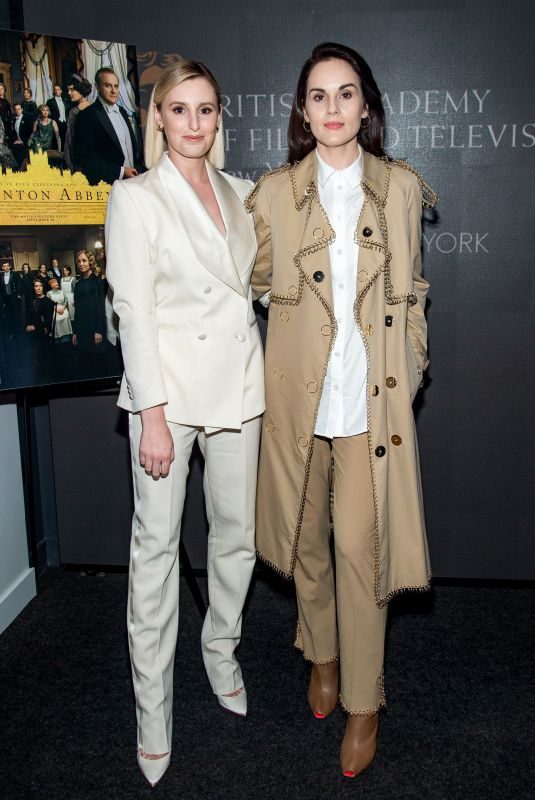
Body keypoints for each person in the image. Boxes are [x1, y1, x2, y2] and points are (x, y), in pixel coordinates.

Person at [246, 42, 437, 779]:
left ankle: (363, 701)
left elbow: (413, 290)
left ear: (366, 105)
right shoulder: (268, 195)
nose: (332, 108)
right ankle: (319, 653)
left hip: (369, 406)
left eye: (345, 93)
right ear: (302, 110)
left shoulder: (399, 190)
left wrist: (410, 362)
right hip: (297, 402)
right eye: (318, 96)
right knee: (303, 545)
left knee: (360, 548)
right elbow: (242, 272)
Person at [105, 59, 264, 787]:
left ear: (218, 117)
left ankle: (220, 649)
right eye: (179, 109)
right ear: (158, 118)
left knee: (237, 538)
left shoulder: (242, 193)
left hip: (238, 388)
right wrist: (155, 419)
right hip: (166, 399)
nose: (193, 122)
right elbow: (133, 315)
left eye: (205, 109)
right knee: (156, 556)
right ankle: (151, 710)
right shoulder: (135, 198)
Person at [75, 68, 141, 185]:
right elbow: (86, 159)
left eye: (116, 86)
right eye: (108, 86)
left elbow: (131, 149)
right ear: (97, 87)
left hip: (133, 182)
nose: (113, 91)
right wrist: (121, 172)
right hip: (108, 184)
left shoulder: (123, 112)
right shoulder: (86, 116)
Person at [72, 249, 105, 360]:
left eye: (84, 261)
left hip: (94, 328)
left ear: (90, 262)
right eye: (79, 261)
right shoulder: (78, 284)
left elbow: (100, 307)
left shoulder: (97, 282)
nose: (81, 264)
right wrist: (75, 332)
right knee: (83, 360)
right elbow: (77, 309)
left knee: (96, 362)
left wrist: (98, 330)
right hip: (81, 328)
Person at [64, 75, 92, 172]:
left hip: (80, 160)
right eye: (68, 90)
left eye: (72, 90)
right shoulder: (94, 108)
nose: (69, 93)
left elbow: (69, 140)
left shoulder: (74, 112)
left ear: (80, 89)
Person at [0, 261, 23, 339]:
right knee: (8, 316)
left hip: (14, 297)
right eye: (4, 266)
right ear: (2, 268)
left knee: (16, 315)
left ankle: (19, 333)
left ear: (10, 267)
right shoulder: (1, 275)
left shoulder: (15, 274)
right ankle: (11, 332)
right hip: (5, 299)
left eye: (7, 266)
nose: (6, 267)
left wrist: (19, 294)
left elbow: (20, 284)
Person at [47, 277, 73, 342]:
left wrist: (63, 308)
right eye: (55, 283)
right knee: (57, 320)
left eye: (57, 282)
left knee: (66, 317)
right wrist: (56, 309)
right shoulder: (49, 293)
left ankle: (66, 338)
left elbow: (66, 301)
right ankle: (58, 338)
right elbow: (48, 304)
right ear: (51, 285)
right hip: (54, 310)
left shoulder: (61, 292)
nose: (57, 284)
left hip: (63, 308)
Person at [8, 103, 33, 169]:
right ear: (14, 110)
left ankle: (21, 171)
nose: (17, 111)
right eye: (15, 109)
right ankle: (16, 171)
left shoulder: (27, 119)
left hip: (26, 143)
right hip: (17, 143)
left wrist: (22, 141)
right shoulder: (13, 120)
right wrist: (15, 141)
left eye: (19, 109)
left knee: (20, 152)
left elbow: (31, 133)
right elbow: (13, 134)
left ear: (22, 110)